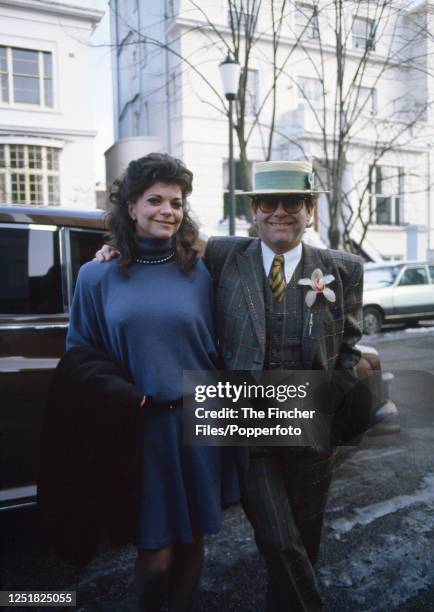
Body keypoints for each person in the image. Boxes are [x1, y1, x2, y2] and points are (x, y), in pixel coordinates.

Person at [96, 159, 365, 612]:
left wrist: (331, 406)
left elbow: (351, 348)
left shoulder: (345, 269)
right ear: (254, 210)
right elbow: (156, 241)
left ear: (310, 209)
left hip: (310, 427)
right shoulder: (224, 255)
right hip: (248, 426)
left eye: (293, 202)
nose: (280, 212)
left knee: (303, 549)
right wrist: (109, 249)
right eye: (268, 203)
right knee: (279, 542)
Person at [63, 153, 238, 612]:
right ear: (131, 207)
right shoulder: (97, 275)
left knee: (194, 542)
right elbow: (80, 355)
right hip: (144, 430)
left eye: (176, 202)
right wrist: (123, 397)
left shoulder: (201, 269)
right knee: (156, 555)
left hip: (202, 421)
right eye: (155, 200)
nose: (168, 211)